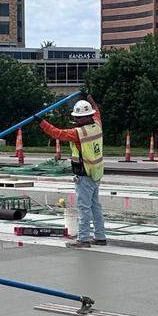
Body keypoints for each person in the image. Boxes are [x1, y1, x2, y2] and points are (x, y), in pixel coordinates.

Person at [39, 99, 106, 248]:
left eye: (78, 117)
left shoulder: (78, 133)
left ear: (86, 117)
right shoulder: (97, 125)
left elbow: (57, 133)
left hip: (85, 174)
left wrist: (42, 122)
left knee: (84, 208)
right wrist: (90, 98)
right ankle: (100, 236)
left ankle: (83, 239)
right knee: (95, 206)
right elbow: (97, 111)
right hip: (96, 173)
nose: (75, 119)